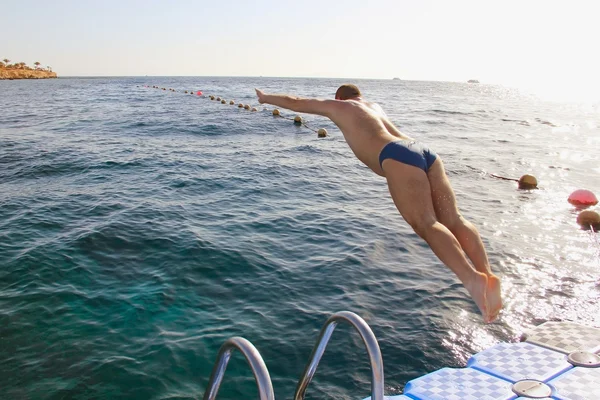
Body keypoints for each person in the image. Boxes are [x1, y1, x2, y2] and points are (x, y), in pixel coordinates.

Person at [255, 84, 502, 323]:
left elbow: (296, 102)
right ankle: (488, 276)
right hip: (424, 151)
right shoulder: (375, 106)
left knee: (426, 223)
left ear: (340, 98)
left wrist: (265, 98)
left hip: (396, 154)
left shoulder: (340, 106)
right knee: (454, 219)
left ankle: (471, 279)